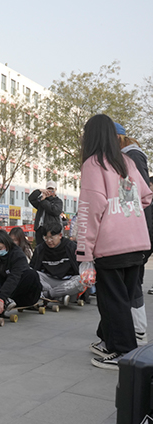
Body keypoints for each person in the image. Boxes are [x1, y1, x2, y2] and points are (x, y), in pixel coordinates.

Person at [77, 115, 152, 369]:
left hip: (111, 245)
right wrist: (126, 214)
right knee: (124, 298)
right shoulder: (127, 162)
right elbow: (146, 196)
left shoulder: (93, 164)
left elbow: (90, 209)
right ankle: (114, 344)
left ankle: (123, 353)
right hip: (137, 242)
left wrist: (84, 252)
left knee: (113, 300)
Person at [116, 123, 151, 345]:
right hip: (136, 228)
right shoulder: (131, 156)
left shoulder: (130, 157)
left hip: (134, 230)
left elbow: (136, 195)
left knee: (131, 283)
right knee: (128, 283)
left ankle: (138, 331)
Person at [0, 230, 42, 314]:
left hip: (21, 294)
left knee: (31, 274)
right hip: (0, 291)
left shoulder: (18, 255)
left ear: (7, 245)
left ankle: (3, 298)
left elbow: (14, 277)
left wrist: (2, 297)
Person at [29, 221, 84, 301]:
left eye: (51, 237)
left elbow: (81, 268)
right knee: (31, 273)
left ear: (60, 235)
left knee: (81, 280)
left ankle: (49, 294)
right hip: (48, 282)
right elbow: (32, 269)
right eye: (46, 238)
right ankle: (60, 296)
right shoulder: (40, 249)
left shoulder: (71, 247)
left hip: (67, 282)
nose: (49, 241)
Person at [29, 180, 63, 245]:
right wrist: (39, 191)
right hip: (40, 228)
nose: (50, 192)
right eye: (48, 189)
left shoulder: (58, 201)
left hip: (51, 229)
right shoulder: (41, 199)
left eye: (52, 190)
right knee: (40, 248)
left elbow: (55, 211)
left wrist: (44, 201)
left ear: (55, 190)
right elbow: (31, 199)